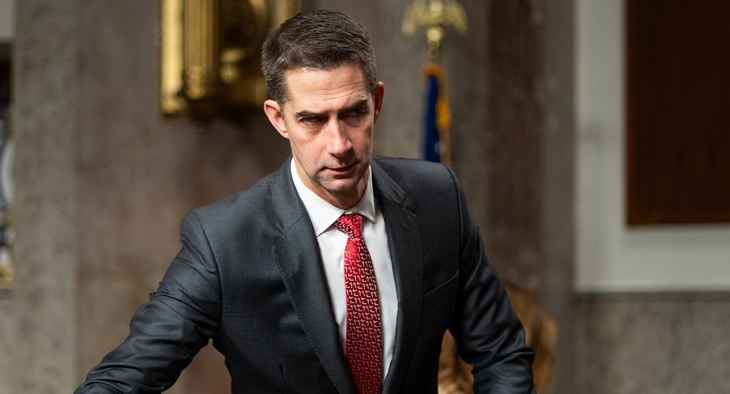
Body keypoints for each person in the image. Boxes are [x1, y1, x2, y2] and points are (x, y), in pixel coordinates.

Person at [75, 9, 534, 394]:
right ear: (279, 119)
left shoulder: (437, 199)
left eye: (353, 113)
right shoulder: (224, 240)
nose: (339, 144)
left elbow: (502, 351)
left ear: (377, 101)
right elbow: (124, 379)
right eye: (313, 120)